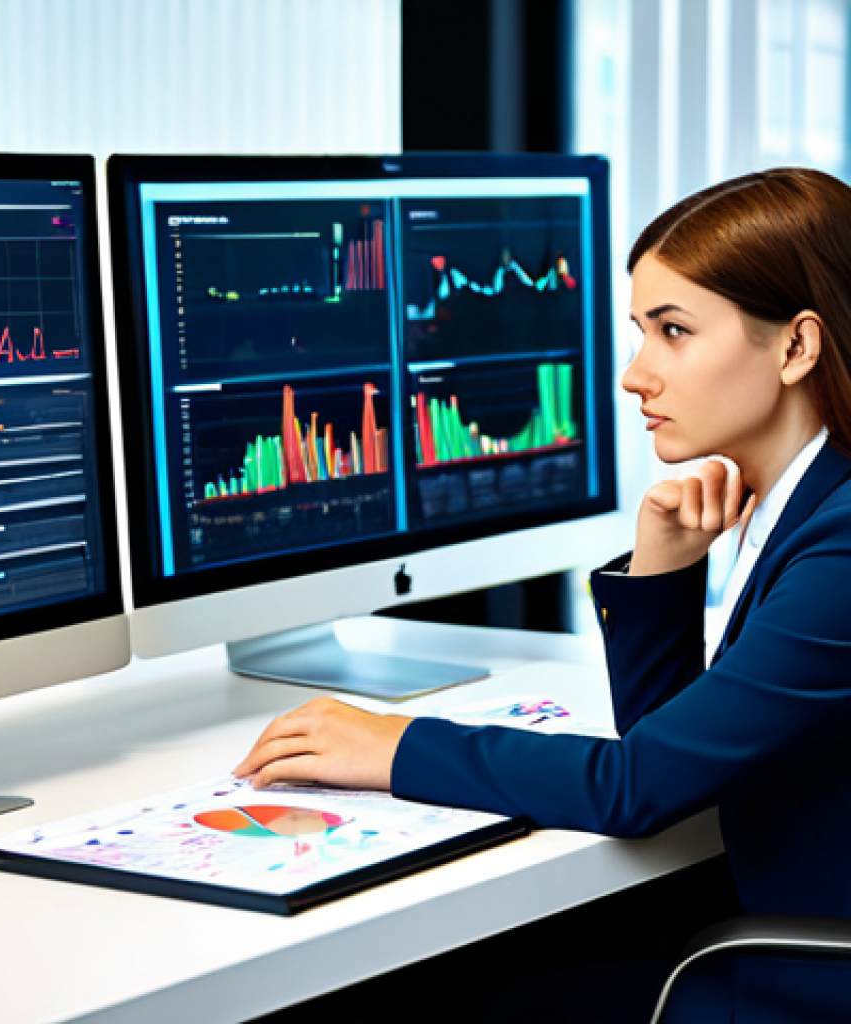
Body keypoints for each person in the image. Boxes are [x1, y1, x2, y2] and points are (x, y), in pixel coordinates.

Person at [236, 168, 851, 1021]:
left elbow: (639, 786)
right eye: (640, 333)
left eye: (673, 331)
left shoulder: (839, 546)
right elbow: (672, 749)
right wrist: (663, 568)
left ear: (796, 347)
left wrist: (395, 744)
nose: (635, 376)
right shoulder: (804, 505)